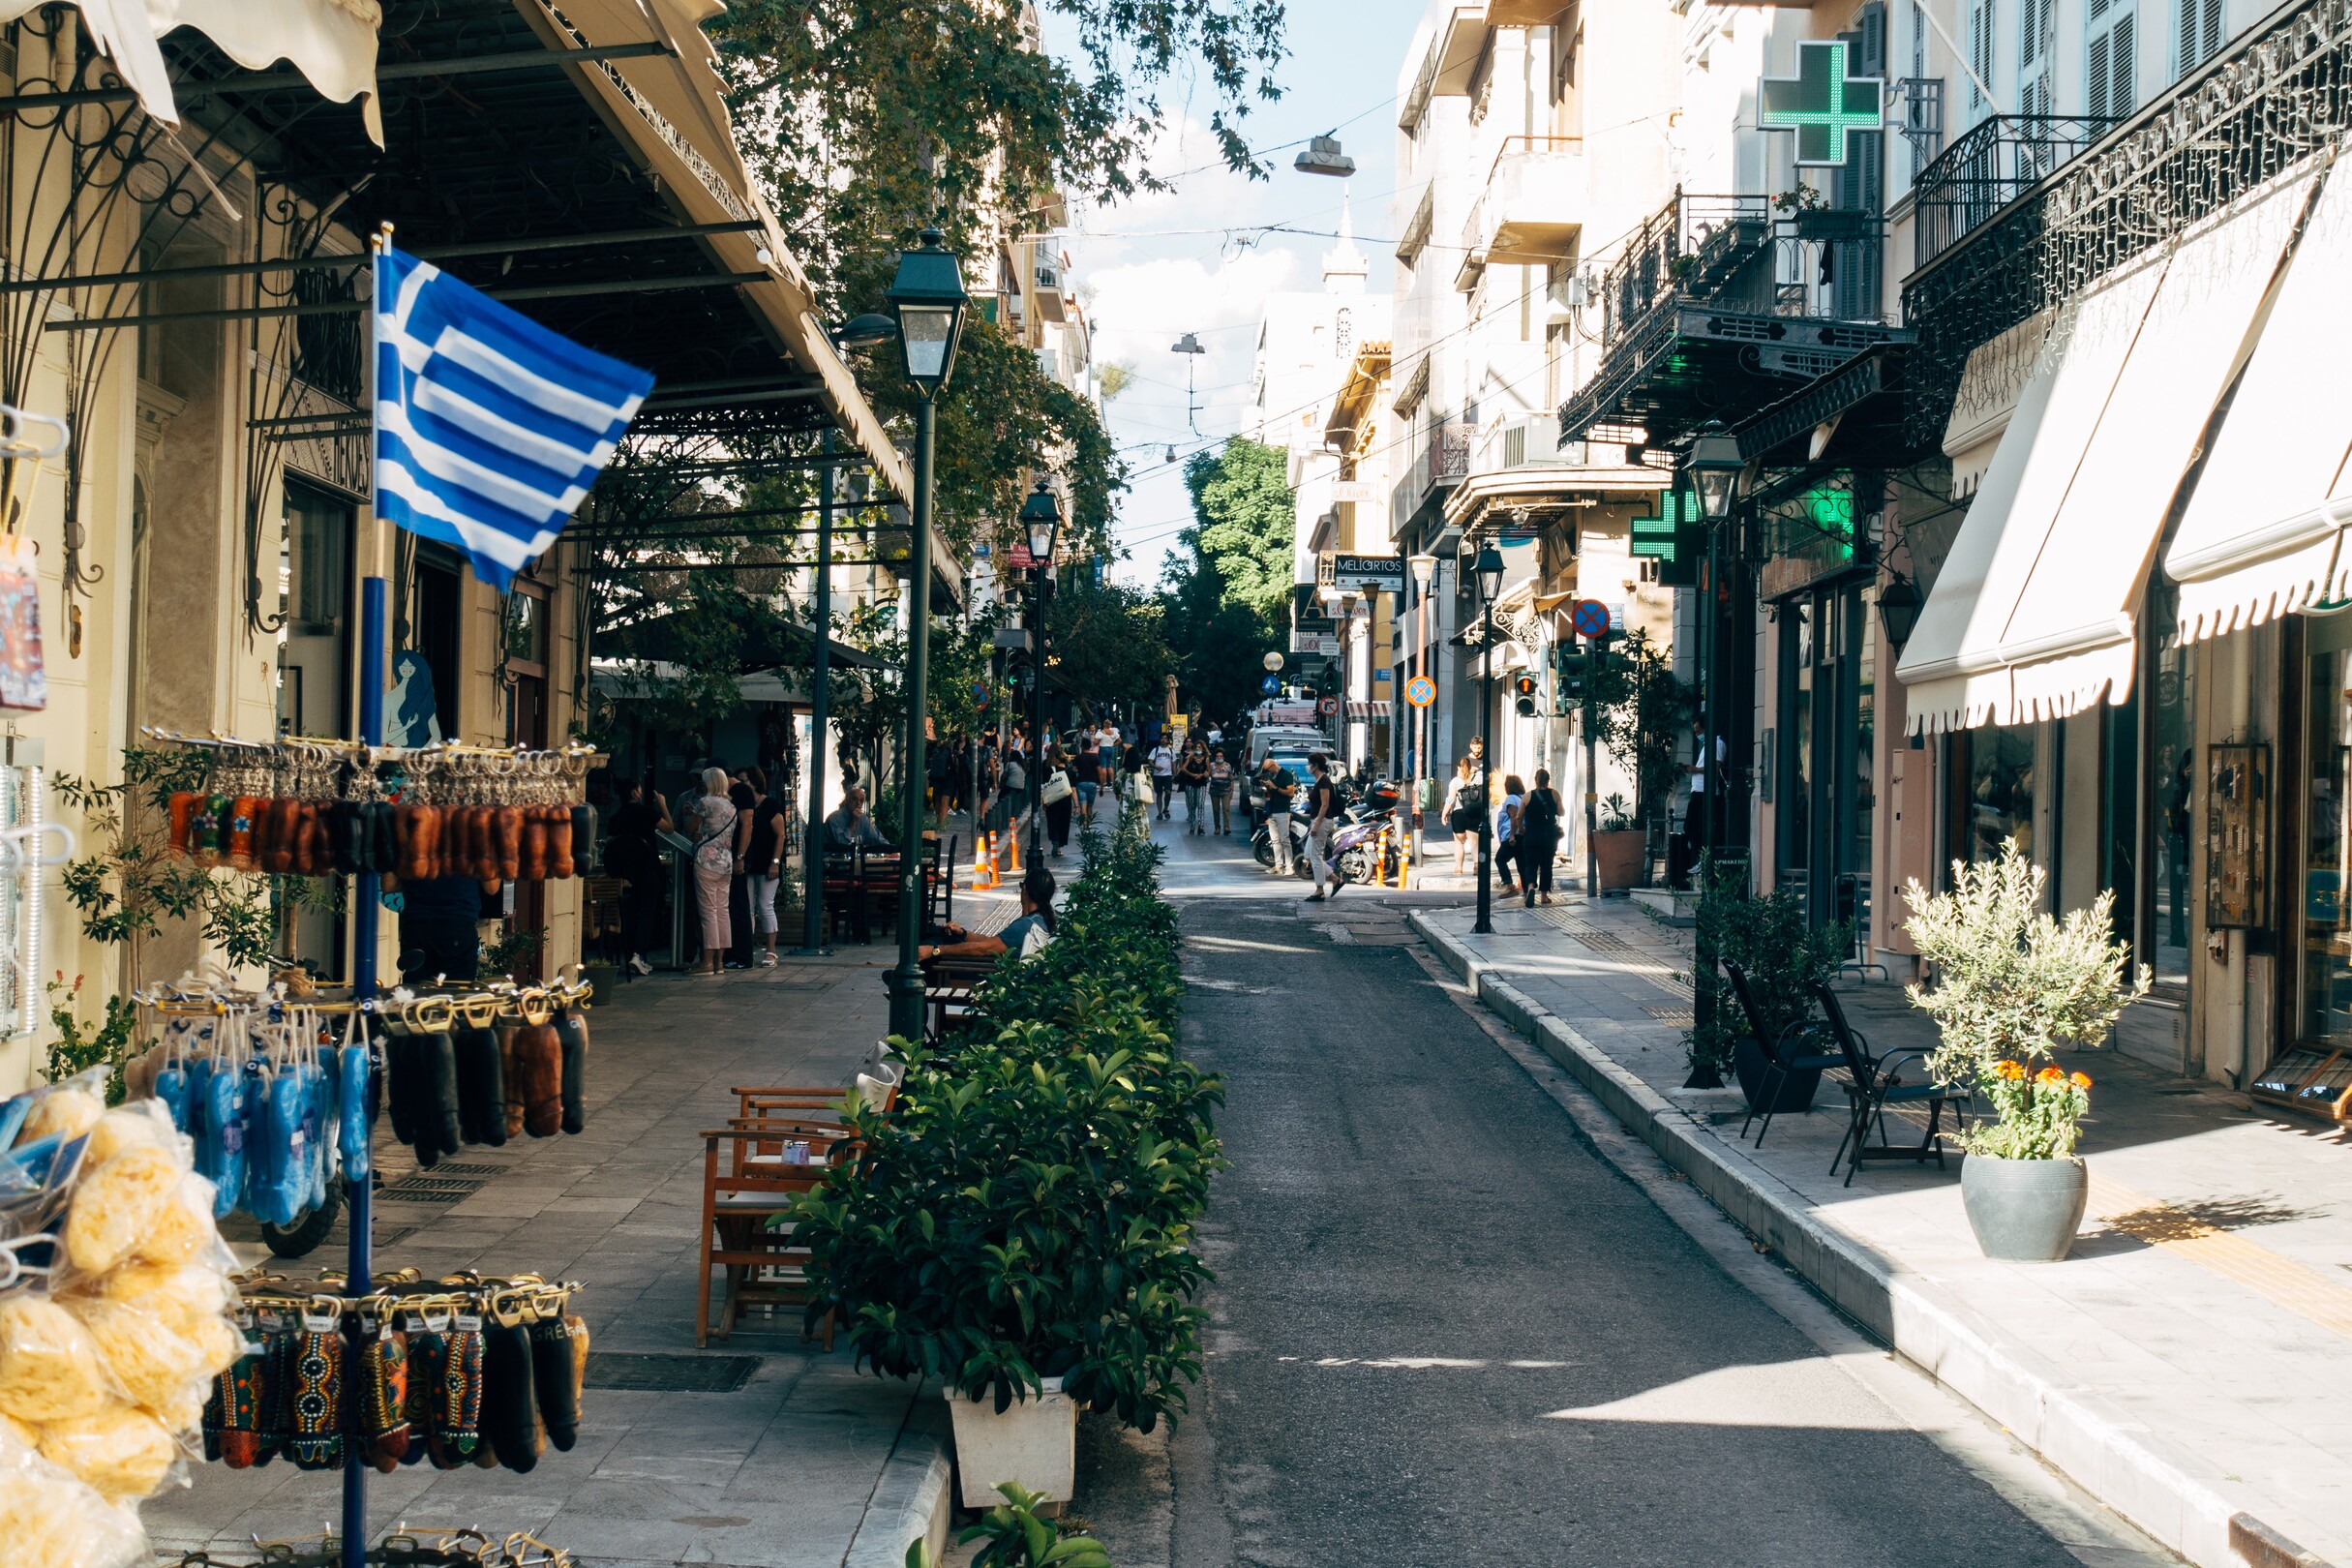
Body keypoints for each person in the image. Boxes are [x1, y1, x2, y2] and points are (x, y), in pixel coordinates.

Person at [920, 865, 1058, 963]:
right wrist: (963, 934)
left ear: (1025, 890)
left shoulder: (1024, 925)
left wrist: (935, 950)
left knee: (931, 946)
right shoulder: (1039, 920)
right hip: (999, 971)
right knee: (942, 937)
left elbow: (983, 949)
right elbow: (993, 941)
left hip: (988, 974)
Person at [605, 778, 671, 975]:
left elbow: (610, 847)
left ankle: (633, 955)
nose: (641, 793)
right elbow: (669, 827)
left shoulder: (615, 817)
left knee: (630, 915)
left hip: (627, 874)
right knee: (647, 914)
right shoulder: (647, 812)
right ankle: (639, 955)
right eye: (639, 790)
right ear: (634, 792)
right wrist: (663, 804)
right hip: (648, 869)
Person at [684, 768, 739, 976]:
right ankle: (720, 962)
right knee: (723, 911)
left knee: (708, 912)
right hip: (725, 862)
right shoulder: (732, 807)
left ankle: (706, 962)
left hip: (706, 861)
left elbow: (691, 830)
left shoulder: (705, 802)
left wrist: (693, 817)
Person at [744, 767, 789, 966]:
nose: (741, 785)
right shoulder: (742, 805)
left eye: (744, 781)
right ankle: (747, 948)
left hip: (766, 861)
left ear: (754, 782)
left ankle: (771, 950)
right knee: (748, 907)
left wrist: (775, 862)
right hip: (748, 862)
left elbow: (781, 835)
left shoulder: (770, 804)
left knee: (765, 906)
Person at [726, 772, 759, 970]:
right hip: (731, 857)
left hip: (737, 857)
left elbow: (747, 824)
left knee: (738, 905)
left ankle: (742, 956)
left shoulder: (740, 792)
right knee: (733, 906)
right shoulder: (733, 792)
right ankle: (735, 954)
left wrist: (740, 857)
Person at [1304, 752, 1346, 901]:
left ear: (1315, 766)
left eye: (1309, 763)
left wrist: (1316, 825)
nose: (1307, 766)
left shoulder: (1324, 782)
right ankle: (1335, 879)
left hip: (1322, 821)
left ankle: (1320, 890)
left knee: (1315, 856)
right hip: (1317, 820)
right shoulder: (1319, 781)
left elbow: (1325, 804)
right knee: (1308, 854)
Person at [1521, 768, 1565, 907]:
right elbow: (1561, 812)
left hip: (1531, 834)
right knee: (1547, 864)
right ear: (1548, 780)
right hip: (1549, 834)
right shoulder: (1554, 794)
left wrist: (1521, 829)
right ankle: (1544, 896)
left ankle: (1530, 888)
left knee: (1530, 863)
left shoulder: (1527, 796)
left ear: (1535, 780)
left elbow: (1518, 816)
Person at [1257, 756, 1296, 875]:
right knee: (1275, 840)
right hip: (1272, 810)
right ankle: (1278, 865)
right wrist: (1268, 787)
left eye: (1268, 770)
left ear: (1273, 766)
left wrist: (1276, 788)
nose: (1268, 772)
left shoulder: (1287, 775)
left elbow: (1290, 793)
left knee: (1285, 839)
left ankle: (1289, 866)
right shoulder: (1272, 776)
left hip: (1282, 810)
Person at [1445, 756, 1481, 876]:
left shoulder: (1455, 781)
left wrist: (1444, 812)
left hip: (1458, 814)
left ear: (1459, 767)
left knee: (1459, 843)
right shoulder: (1478, 778)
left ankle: (1459, 868)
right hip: (1474, 812)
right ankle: (1476, 866)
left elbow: (1451, 799)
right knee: (1474, 843)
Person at [825, 785, 888, 851]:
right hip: (832, 859)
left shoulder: (863, 819)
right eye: (854, 799)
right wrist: (853, 822)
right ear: (847, 800)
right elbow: (843, 846)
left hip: (856, 859)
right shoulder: (834, 818)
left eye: (861, 800)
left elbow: (878, 840)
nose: (858, 803)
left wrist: (892, 852)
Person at [1040, 744, 1075, 857]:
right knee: (1063, 822)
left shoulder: (1045, 766)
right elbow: (1073, 789)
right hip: (1065, 799)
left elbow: (1044, 785)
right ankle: (1059, 845)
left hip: (1052, 798)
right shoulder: (1069, 772)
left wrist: (1043, 800)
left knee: (1052, 821)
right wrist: (1076, 805)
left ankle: (1054, 840)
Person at [1494, 772, 1525, 894]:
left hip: (1512, 836)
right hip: (1522, 834)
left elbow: (1514, 816)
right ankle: (1527, 890)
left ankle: (1509, 884)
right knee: (1521, 862)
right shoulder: (1523, 798)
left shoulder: (1511, 799)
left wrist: (1512, 835)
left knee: (1500, 859)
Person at [1176, 742, 1211, 834]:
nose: (1198, 749)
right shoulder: (1190, 758)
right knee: (1192, 805)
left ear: (1203, 749)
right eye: (1196, 747)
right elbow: (1183, 768)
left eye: (1200, 747)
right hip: (1190, 783)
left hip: (1202, 783)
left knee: (1201, 804)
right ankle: (1192, 825)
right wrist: (1192, 774)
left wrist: (1202, 775)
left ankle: (1201, 825)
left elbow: (1209, 771)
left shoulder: (1206, 759)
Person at [1071, 728, 1100, 827]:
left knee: (1083, 804)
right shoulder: (1095, 757)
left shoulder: (1078, 757)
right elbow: (1099, 771)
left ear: (1082, 747)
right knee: (1090, 806)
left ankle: (1084, 824)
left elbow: (1074, 769)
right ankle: (1089, 824)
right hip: (1092, 782)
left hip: (1081, 783)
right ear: (1090, 746)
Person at [1208, 748, 1235, 835]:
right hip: (1214, 790)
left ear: (1223, 757)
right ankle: (1217, 827)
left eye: (1220, 756)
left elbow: (1231, 778)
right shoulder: (1211, 765)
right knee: (1216, 810)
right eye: (1217, 756)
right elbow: (1208, 774)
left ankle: (1227, 827)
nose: (1219, 757)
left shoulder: (1227, 765)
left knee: (1226, 809)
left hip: (1226, 790)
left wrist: (1232, 790)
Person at [1149, 737, 1176, 821]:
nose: (1163, 740)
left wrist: (1174, 774)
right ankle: (1160, 812)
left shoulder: (1171, 751)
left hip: (1168, 775)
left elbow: (1174, 763)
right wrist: (1155, 766)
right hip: (1157, 775)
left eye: (1165, 738)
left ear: (1168, 740)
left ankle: (1166, 808)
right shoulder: (1156, 750)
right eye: (1162, 738)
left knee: (1168, 792)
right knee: (1159, 794)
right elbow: (1150, 760)